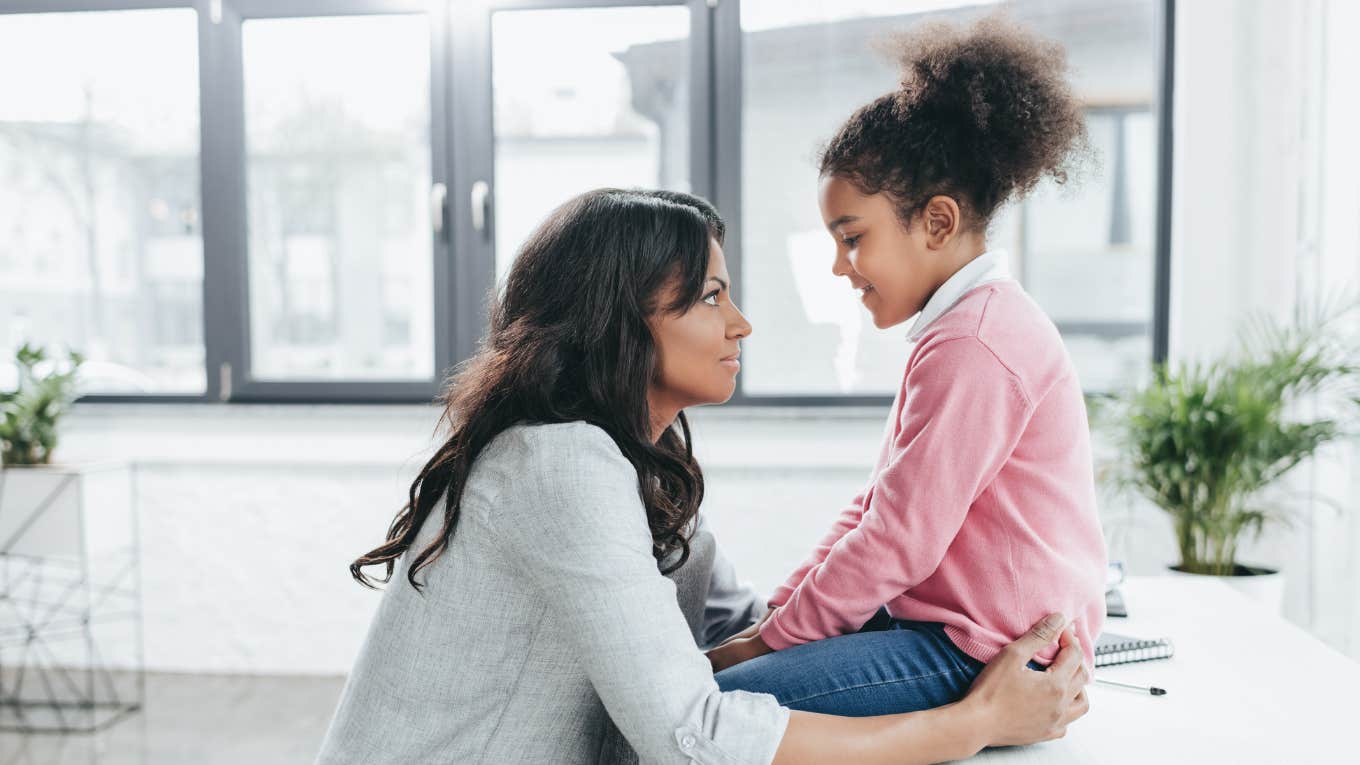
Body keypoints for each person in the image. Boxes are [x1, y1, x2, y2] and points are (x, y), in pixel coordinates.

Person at [316, 188, 1089, 764]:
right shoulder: (557, 466)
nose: (741, 322)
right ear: (620, 322)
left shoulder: (634, 471)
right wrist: (976, 719)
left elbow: (740, 629)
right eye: (711, 296)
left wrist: (910, 636)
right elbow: (693, 736)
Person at [706, 14, 1109, 719]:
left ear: (938, 222)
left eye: (852, 238)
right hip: (945, 629)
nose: (840, 267)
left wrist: (766, 643)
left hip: (976, 651)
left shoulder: (975, 344)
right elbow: (878, 508)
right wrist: (776, 619)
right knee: (721, 676)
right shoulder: (964, 328)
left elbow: (897, 540)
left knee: (709, 708)